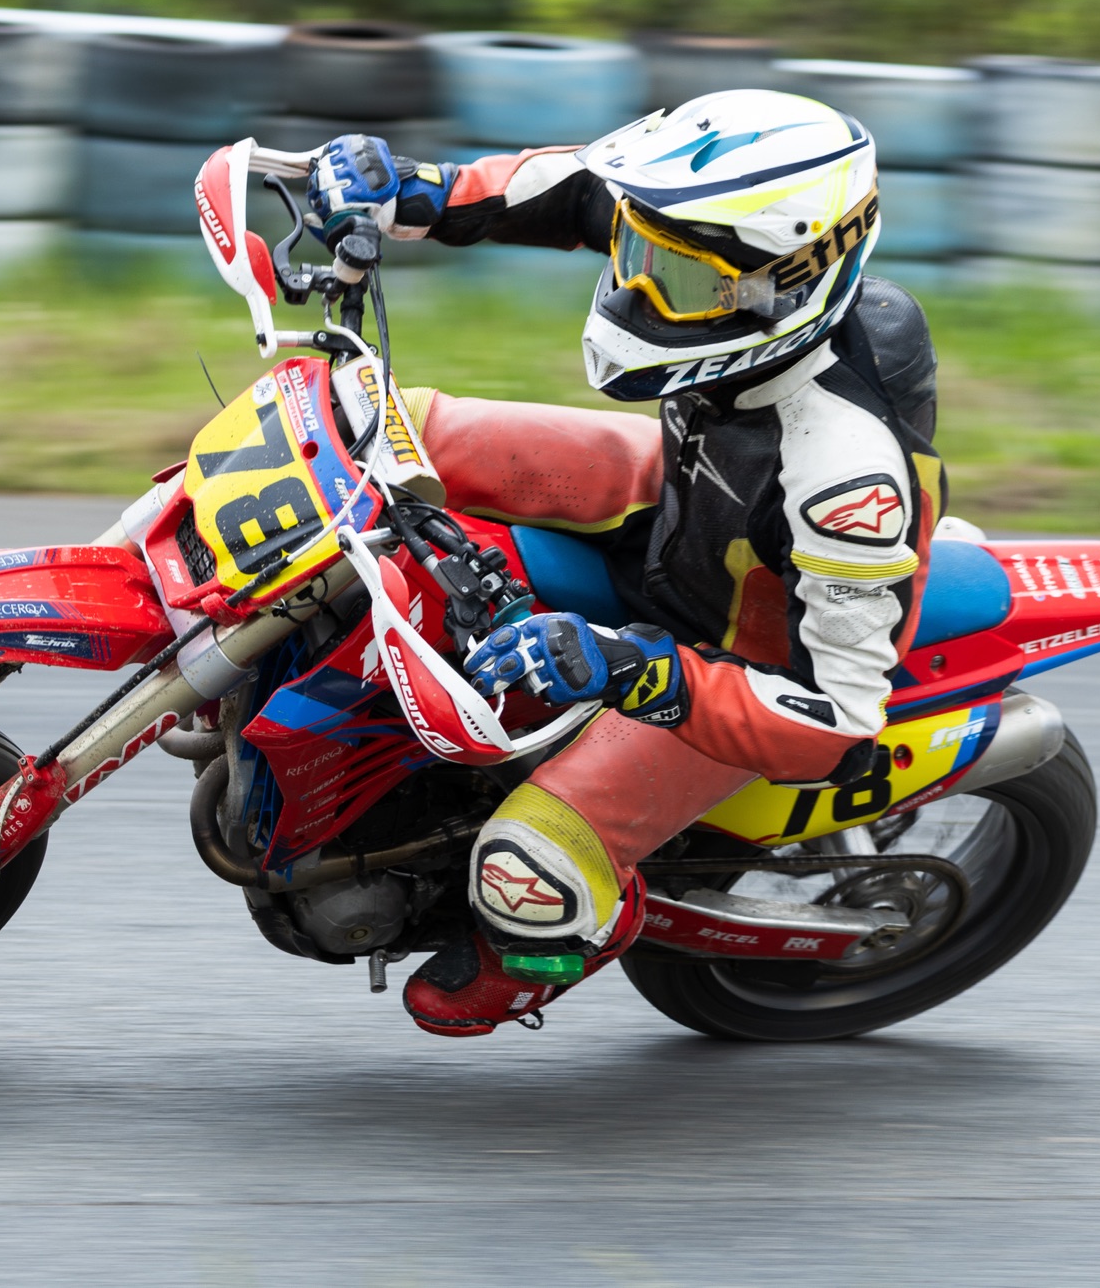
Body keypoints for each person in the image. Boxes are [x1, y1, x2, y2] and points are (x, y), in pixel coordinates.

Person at [305, 90, 945, 1036]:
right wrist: (419, 189)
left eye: (671, 279)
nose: (638, 290)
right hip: (683, 492)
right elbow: (578, 190)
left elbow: (839, 725)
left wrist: (634, 669)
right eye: (637, 259)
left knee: (523, 871)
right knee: (376, 422)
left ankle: (562, 941)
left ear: (784, 282)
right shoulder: (723, 248)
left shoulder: (847, 483)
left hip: (735, 659)